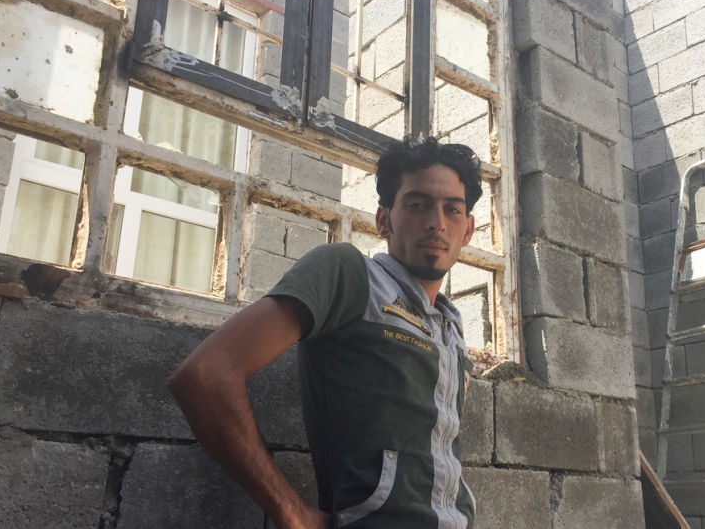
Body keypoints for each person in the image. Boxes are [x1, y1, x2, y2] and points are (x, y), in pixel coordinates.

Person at [168, 136, 484, 529]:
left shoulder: (450, 325)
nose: (437, 221)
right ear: (383, 219)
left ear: (468, 230)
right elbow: (206, 375)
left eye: (452, 210)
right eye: (417, 204)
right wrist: (289, 510)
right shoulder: (350, 274)